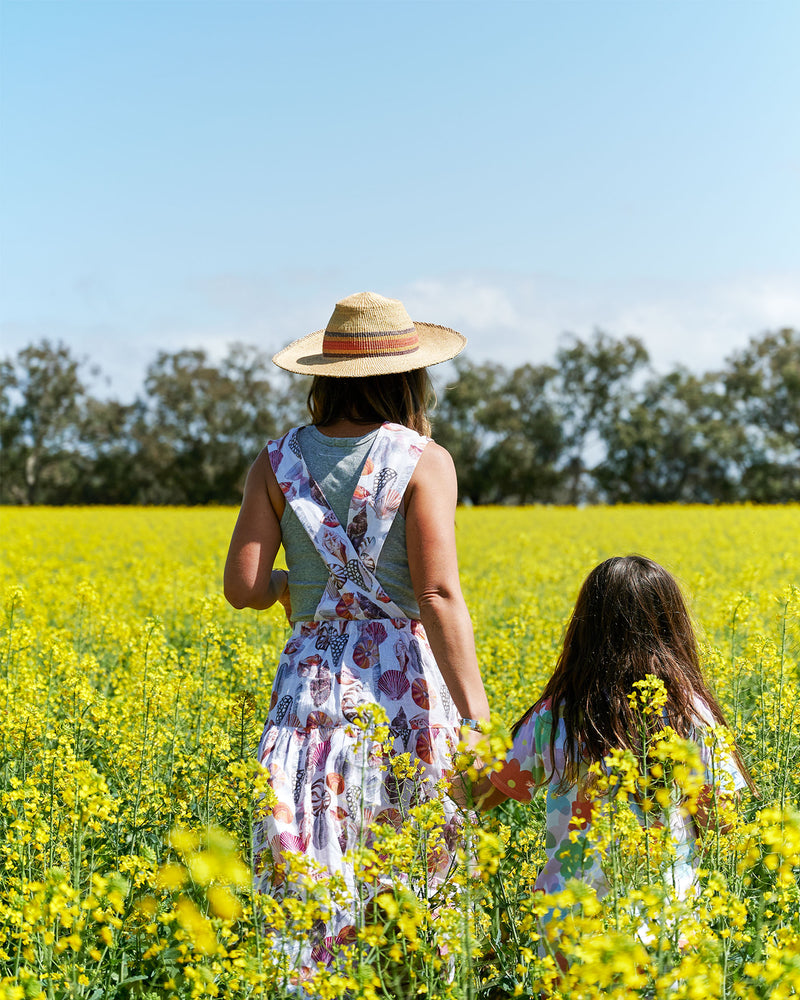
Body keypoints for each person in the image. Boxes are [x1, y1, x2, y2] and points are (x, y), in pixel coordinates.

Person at [224, 291, 490, 972]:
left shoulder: (275, 461)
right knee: (417, 875)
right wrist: (477, 715)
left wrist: (294, 588)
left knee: (315, 863)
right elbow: (435, 592)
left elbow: (244, 589)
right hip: (402, 690)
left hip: (308, 690)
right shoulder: (424, 458)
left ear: (324, 378)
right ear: (409, 376)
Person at [473, 555, 754, 916]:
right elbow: (720, 820)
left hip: (570, 918)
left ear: (584, 628)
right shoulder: (689, 712)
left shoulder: (556, 713)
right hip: (662, 921)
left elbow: (485, 793)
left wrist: (460, 741)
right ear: (673, 626)